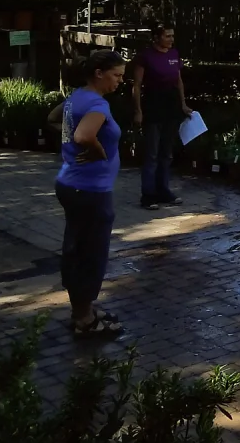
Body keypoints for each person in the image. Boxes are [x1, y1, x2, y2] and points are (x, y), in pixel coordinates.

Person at [53, 50, 127, 338]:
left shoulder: (76, 97)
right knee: (91, 253)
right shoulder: (97, 104)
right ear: (99, 73)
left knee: (77, 248)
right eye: (117, 75)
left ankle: (80, 310)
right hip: (90, 191)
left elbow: (53, 118)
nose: (120, 81)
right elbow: (84, 136)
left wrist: (72, 148)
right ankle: (84, 320)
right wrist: (98, 152)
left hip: (72, 184)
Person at [131, 22, 192, 208]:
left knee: (167, 153)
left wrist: (183, 104)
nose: (171, 40)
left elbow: (179, 81)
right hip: (153, 107)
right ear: (156, 38)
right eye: (167, 36)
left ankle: (163, 190)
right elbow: (137, 85)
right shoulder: (145, 57)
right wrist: (138, 110)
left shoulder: (174, 55)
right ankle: (148, 195)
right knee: (152, 154)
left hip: (171, 108)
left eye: (173, 36)